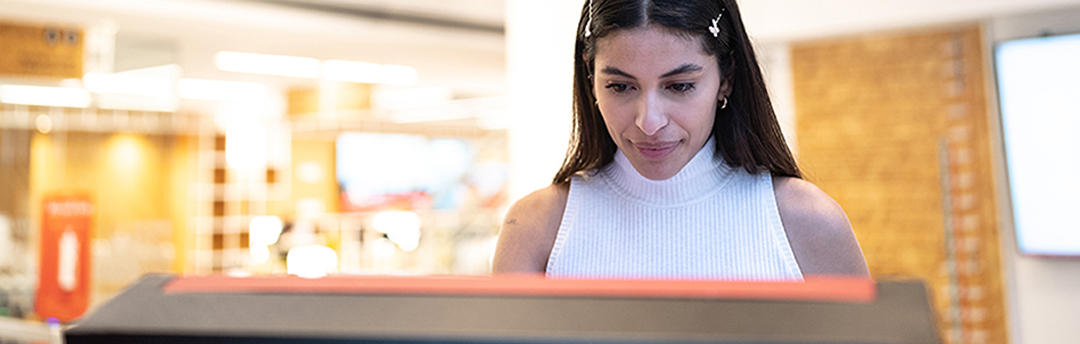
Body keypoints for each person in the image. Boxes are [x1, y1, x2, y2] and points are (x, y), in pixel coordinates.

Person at [493, 0, 868, 279]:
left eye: (680, 86)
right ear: (591, 81)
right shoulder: (536, 228)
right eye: (620, 86)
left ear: (726, 79)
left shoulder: (807, 222)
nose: (649, 122)